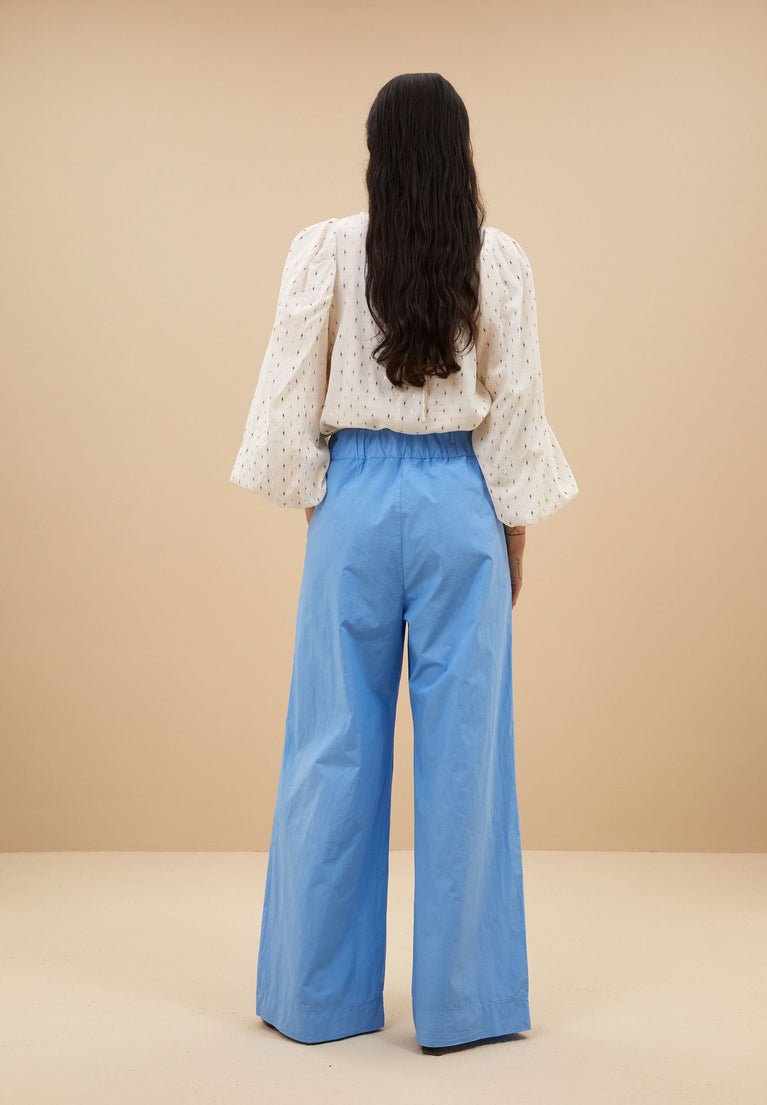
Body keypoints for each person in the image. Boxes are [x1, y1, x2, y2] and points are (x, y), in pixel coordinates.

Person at [229, 73, 579, 1055]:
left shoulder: (327, 249)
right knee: (466, 753)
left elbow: (288, 392)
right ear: (458, 151)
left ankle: (315, 997)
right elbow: (515, 408)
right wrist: (511, 536)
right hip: (460, 502)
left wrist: (326, 505)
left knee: (330, 744)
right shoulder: (497, 259)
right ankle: (465, 1007)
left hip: (355, 501)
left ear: (376, 153)